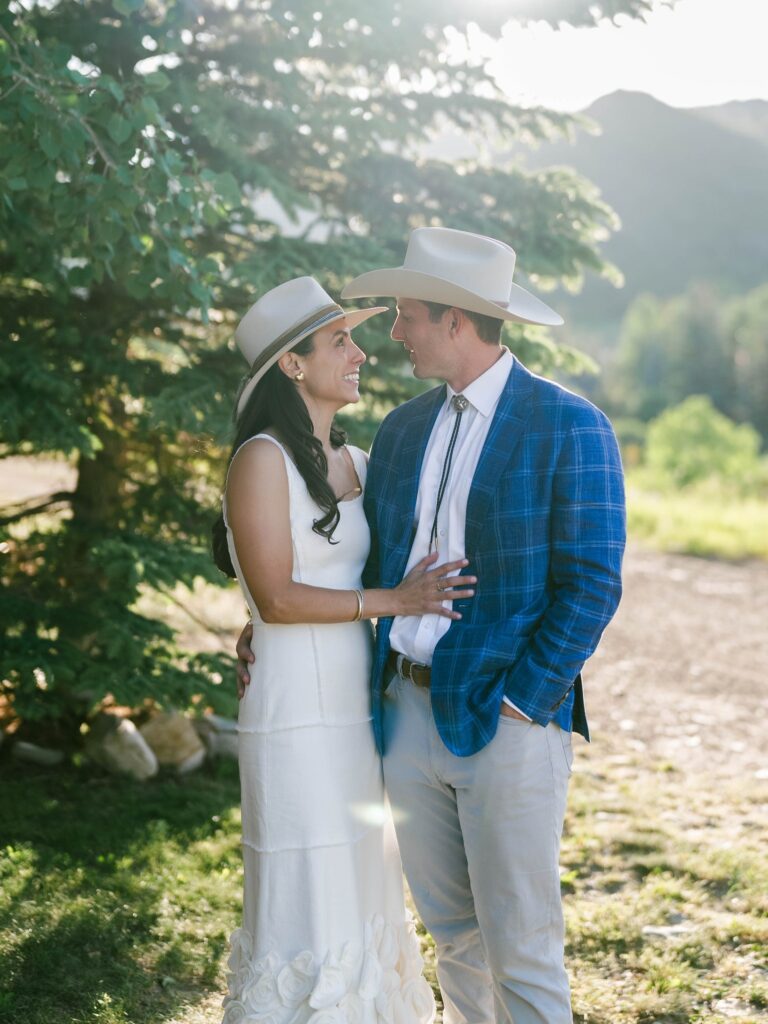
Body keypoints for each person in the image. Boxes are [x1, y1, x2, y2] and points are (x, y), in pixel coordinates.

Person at [237, 228, 626, 1024]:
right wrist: (261, 618)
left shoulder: (569, 424)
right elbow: (351, 560)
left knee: (522, 943)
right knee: (454, 936)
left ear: (456, 322)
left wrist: (526, 701)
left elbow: (591, 584)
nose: (391, 334)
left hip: (507, 722)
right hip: (402, 722)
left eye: (407, 315)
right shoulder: (402, 431)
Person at [212, 274, 477, 1024]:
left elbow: (318, 579)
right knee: (307, 876)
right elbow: (278, 598)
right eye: (340, 342)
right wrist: (391, 602)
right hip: (293, 703)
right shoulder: (261, 458)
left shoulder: (356, 460)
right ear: (291, 366)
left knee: (361, 869)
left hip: (357, 708)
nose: (360, 353)